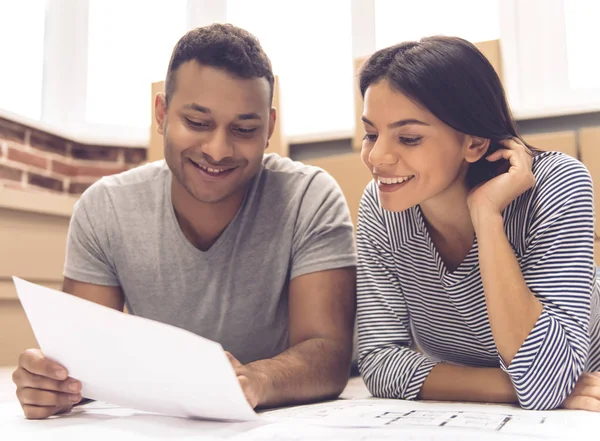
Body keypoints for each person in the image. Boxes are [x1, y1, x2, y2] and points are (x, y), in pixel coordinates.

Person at [12, 24, 357, 419]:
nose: (218, 149)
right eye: (197, 123)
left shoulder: (309, 197)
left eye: (245, 129)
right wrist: (53, 383)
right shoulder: (104, 207)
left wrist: (254, 381)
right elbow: (84, 365)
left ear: (269, 129)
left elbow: (328, 353)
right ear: (161, 113)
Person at [356, 36, 600, 412]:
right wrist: (510, 387)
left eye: (408, 138)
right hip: (551, 395)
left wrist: (486, 215)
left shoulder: (557, 184)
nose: (377, 156)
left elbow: (546, 381)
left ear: (474, 143)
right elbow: (379, 361)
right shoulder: (381, 208)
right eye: (371, 134)